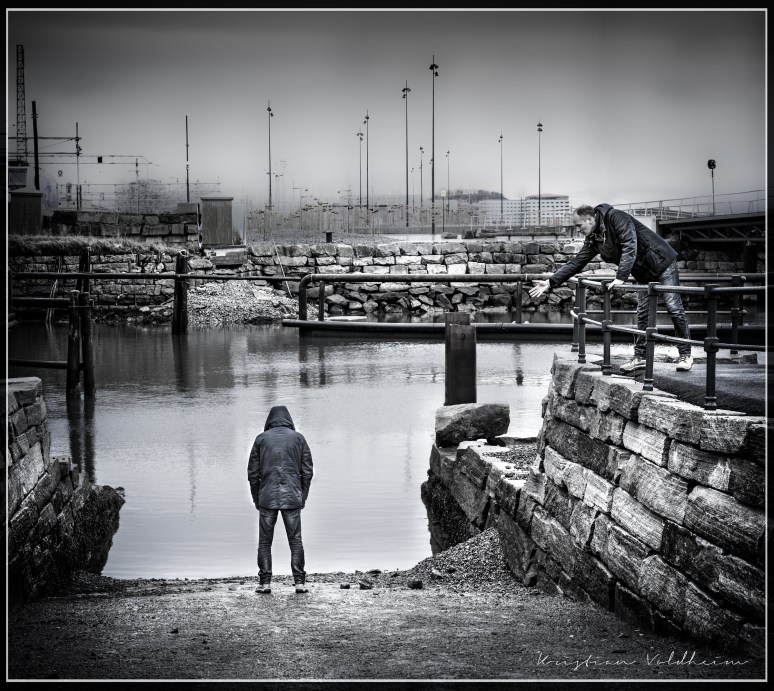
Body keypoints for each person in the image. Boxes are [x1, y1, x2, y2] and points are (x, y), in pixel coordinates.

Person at [528, 203, 693, 372]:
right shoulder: (594, 239)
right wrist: (550, 282)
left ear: (590, 219)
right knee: (643, 313)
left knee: (673, 307)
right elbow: (577, 262)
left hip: (662, 262)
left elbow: (630, 244)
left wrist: (621, 277)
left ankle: (686, 354)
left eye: (579, 225)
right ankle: (641, 357)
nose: (577, 229)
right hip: (643, 273)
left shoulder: (616, 217)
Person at [247, 405, 314, 594]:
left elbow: (252, 474)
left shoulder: (261, 439)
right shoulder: (299, 439)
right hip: (292, 497)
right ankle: (299, 583)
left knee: (264, 542)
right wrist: (302, 496)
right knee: (295, 540)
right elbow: (307, 472)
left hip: (266, 498)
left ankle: (265, 583)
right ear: (289, 420)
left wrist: (256, 498)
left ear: (269, 420)